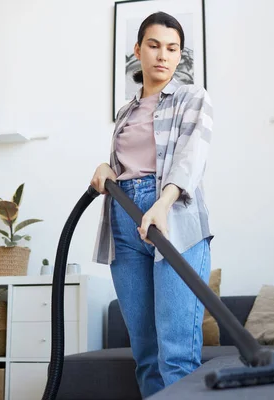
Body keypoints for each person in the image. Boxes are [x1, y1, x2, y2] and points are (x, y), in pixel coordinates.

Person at [90, 11, 214, 398]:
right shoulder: (126, 112)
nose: (163, 55)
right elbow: (126, 166)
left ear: (180, 55)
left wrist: (163, 201)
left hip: (172, 216)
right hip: (124, 223)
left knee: (175, 354)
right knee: (145, 352)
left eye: (172, 48)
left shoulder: (192, 98)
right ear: (138, 51)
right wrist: (104, 167)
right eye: (154, 45)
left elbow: (191, 157)